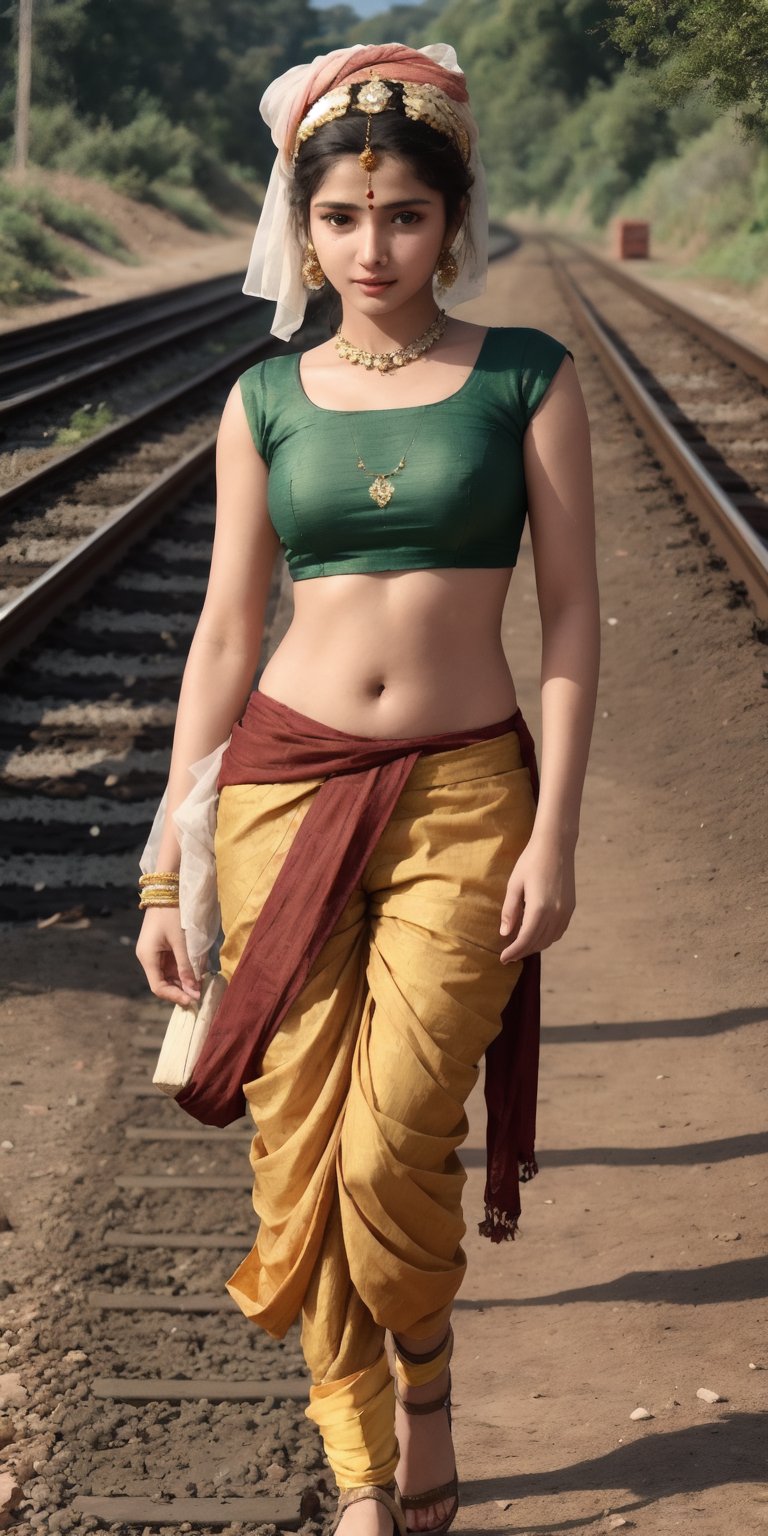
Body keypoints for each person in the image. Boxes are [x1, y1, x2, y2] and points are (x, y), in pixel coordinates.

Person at [136, 39, 599, 1536]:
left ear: (454, 220)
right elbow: (224, 636)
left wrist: (559, 833)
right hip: (281, 790)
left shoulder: (528, 376)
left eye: (403, 215)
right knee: (300, 1152)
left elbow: (576, 622)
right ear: (304, 225)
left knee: (398, 1133)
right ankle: (359, 1475)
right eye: (341, 217)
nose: (373, 247)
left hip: (467, 795)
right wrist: (166, 861)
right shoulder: (263, 399)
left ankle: (431, 1380)